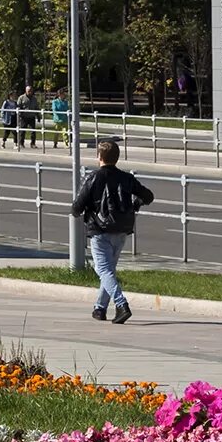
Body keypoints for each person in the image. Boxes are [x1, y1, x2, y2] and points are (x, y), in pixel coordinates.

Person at [70, 139, 155, 324]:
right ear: (117, 158)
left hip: (100, 231)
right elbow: (148, 196)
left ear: (99, 156)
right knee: (109, 271)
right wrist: (135, 205)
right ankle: (99, 308)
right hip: (122, 231)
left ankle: (121, 305)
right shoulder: (126, 178)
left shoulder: (93, 177)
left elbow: (77, 207)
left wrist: (79, 211)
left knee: (103, 271)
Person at [16, 84, 37, 149]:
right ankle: (21, 143)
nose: (30, 92)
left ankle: (33, 143)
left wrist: (38, 115)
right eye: (28, 90)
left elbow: (36, 107)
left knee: (33, 131)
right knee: (22, 131)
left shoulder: (34, 99)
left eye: (31, 90)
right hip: (24, 117)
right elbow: (18, 106)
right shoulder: (21, 97)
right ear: (26, 91)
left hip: (32, 116)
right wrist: (20, 113)